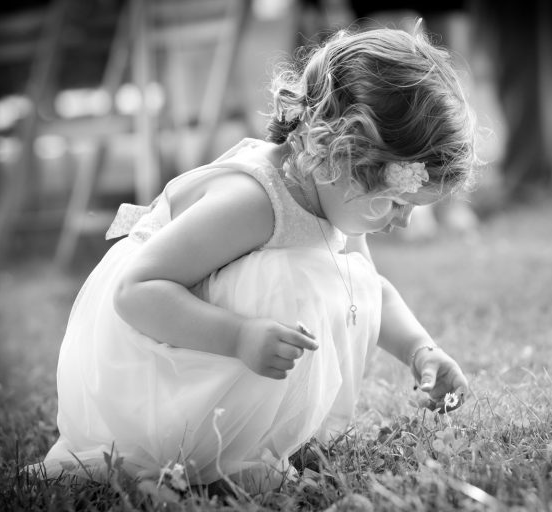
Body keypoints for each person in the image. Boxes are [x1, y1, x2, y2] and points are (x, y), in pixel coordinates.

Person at [31, 27, 475, 492]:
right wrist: (240, 336)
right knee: (292, 277)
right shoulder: (253, 199)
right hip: (157, 358)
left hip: (202, 343)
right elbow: (136, 290)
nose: (402, 222)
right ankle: (209, 457)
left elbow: (369, 289)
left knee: (340, 276)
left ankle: (258, 443)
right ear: (344, 152)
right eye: (397, 201)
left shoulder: (332, 198)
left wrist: (421, 350)